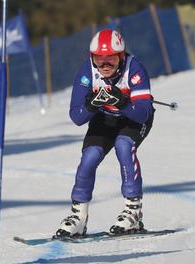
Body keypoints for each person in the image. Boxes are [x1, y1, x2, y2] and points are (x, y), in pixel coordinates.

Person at [55, 29, 155, 237]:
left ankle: (133, 212)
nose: (105, 65)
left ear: (121, 56)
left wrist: (124, 102)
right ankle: (79, 216)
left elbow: (143, 114)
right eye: (99, 60)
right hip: (106, 117)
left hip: (133, 118)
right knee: (89, 157)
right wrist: (91, 105)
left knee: (124, 146)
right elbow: (77, 117)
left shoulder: (134, 69)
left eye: (111, 59)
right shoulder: (87, 71)